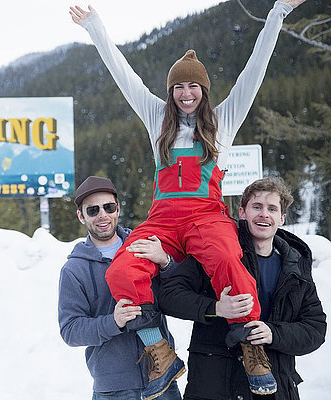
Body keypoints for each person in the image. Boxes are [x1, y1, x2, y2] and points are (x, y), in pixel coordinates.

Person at [69, 1, 307, 397]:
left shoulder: (224, 122)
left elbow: (255, 71)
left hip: (207, 217)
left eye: (193, 86)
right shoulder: (155, 119)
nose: (185, 93)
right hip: (162, 221)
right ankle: (159, 351)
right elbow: (123, 75)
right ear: (170, 91)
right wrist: (94, 25)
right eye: (178, 86)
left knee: (230, 260)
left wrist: (278, 13)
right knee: (121, 271)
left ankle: (251, 347)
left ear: (204, 90)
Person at [158, 177, 327, 399]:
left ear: (282, 218)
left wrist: (273, 333)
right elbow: (168, 295)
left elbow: (315, 329)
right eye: (256, 207)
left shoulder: (295, 265)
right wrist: (216, 307)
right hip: (216, 386)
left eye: (272, 209)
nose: (264, 214)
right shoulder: (216, 253)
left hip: (275, 387)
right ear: (242, 212)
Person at [58, 176, 182, 400]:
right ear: (81, 216)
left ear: (118, 209)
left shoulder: (144, 246)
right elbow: (70, 331)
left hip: (164, 380)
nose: (102, 215)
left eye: (108, 207)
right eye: (93, 210)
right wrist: (113, 322)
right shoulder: (74, 269)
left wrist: (165, 261)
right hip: (114, 389)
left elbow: (180, 293)